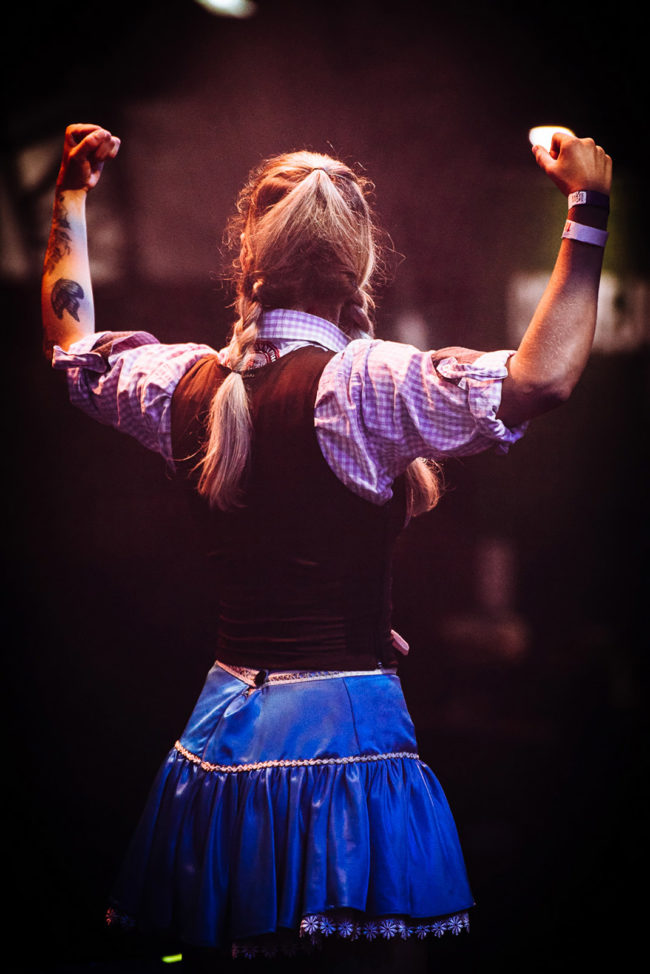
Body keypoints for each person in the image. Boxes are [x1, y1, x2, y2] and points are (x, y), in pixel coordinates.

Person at [42, 123, 611, 972]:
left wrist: (70, 198)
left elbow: (69, 348)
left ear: (248, 262)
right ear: (358, 271)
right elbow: (545, 378)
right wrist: (589, 207)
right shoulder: (363, 384)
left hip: (221, 737)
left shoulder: (182, 383)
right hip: (344, 748)